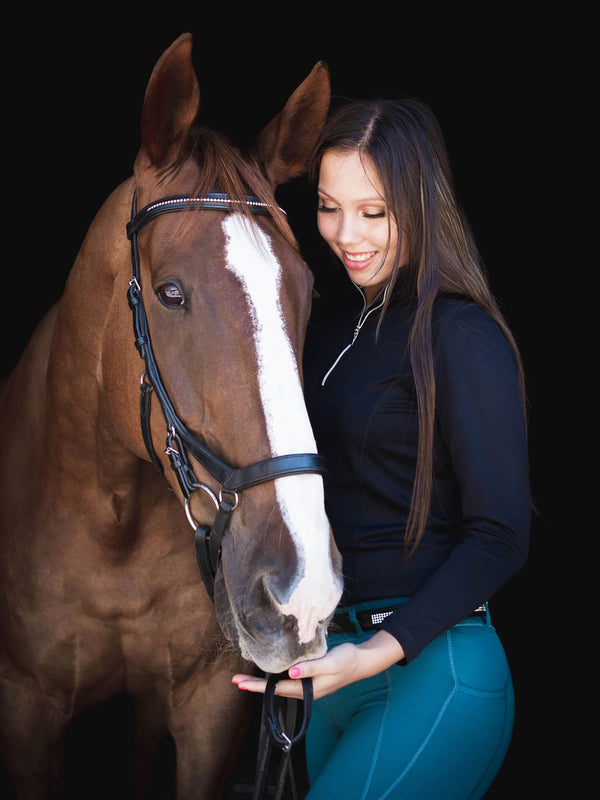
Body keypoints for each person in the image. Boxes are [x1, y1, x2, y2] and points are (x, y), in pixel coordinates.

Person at [232, 96, 531, 799]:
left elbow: (502, 535)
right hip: (325, 676)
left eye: (375, 212)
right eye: (330, 207)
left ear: (422, 205)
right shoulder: (327, 328)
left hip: (432, 670)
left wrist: (374, 653)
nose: (346, 234)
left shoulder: (459, 336)